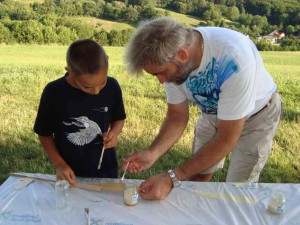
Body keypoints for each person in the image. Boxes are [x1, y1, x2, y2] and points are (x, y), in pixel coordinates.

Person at [122, 17, 283, 200]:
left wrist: (172, 177)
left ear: (182, 55)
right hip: (212, 112)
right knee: (197, 175)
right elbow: (177, 117)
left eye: (161, 73)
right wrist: (153, 153)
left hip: (257, 115)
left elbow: (226, 138)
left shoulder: (234, 60)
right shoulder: (172, 61)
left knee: (239, 189)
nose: (161, 80)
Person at [34, 39, 126, 185]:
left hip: (106, 167)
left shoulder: (112, 86)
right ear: (69, 71)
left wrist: (115, 132)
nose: (96, 92)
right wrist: (59, 164)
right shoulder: (54, 92)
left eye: (101, 83)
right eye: (87, 87)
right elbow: (44, 133)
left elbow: (119, 118)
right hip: (70, 170)